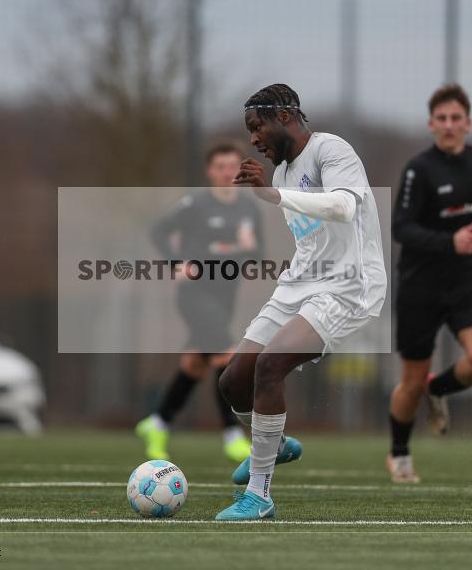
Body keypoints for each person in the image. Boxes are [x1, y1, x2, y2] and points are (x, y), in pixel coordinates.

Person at [214, 84, 386, 520]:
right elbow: (311, 241)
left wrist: (272, 196)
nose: (253, 139)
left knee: (271, 365)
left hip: (350, 285)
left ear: (285, 117)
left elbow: (345, 208)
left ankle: (259, 494)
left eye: (257, 128)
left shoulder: (332, 150)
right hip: (300, 284)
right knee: (234, 381)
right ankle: (274, 443)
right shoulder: (282, 174)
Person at [387, 83, 472, 483]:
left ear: (468, 124)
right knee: (410, 383)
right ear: (431, 124)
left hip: (465, 282)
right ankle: (399, 453)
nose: (449, 125)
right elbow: (400, 228)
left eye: (456, 118)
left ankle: (439, 389)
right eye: (442, 119)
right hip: (421, 287)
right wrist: (448, 241)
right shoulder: (419, 170)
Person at [135, 143, 263, 463]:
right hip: (194, 295)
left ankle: (158, 421)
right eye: (220, 166)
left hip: (225, 297)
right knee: (225, 354)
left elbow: (258, 258)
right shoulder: (195, 204)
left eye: (233, 166)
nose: (227, 172)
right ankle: (232, 433)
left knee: (195, 363)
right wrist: (176, 262)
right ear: (210, 171)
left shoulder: (249, 209)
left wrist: (249, 250)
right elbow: (159, 231)